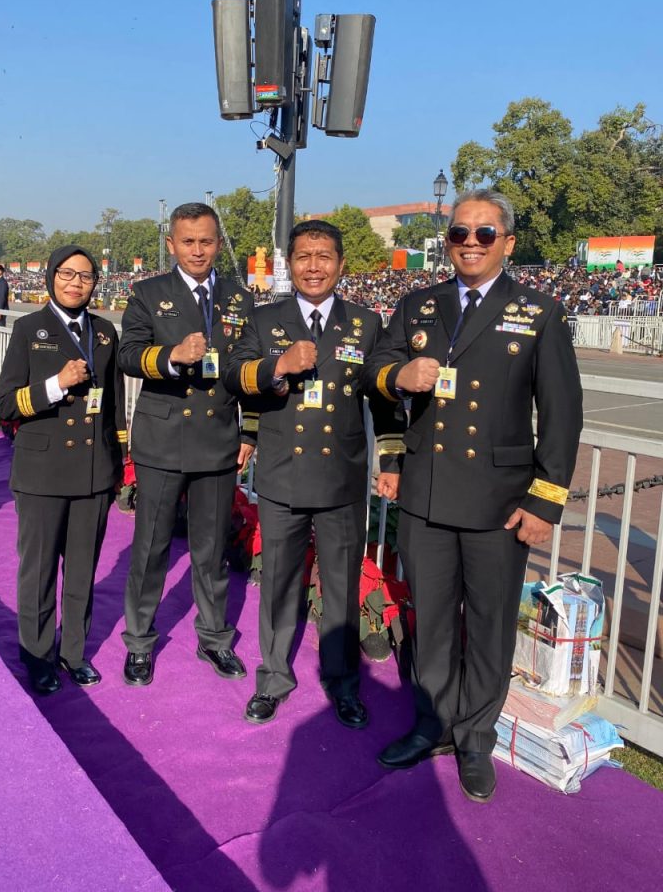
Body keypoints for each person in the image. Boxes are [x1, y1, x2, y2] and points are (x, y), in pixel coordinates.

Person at [362, 190, 582, 802]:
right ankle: (432, 723)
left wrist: (544, 502)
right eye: (460, 232)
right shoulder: (419, 304)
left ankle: (476, 737)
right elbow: (375, 375)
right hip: (427, 493)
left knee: (488, 624)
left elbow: (562, 415)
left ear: (507, 243)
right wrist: (397, 378)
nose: (470, 243)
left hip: (499, 501)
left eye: (485, 233)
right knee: (431, 619)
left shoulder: (538, 312)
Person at [223, 220, 403, 728]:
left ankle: (343, 684)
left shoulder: (365, 323)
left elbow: (384, 397)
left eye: (324, 256)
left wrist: (390, 460)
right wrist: (277, 366)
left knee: (341, 586)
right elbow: (235, 375)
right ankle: (273, 679)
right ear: (290, 264)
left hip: (341, 478)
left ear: (341, 264)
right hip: (283, 474)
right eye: (303, 256)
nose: (314, 266)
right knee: (279, 581)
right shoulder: (265, 319)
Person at [118, 202, 255, 687]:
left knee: (211, 549)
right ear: (171, 244)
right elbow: (128, 355)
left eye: (206, 241)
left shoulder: (240, 297)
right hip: (163, 439)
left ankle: (214, 638)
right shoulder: (148, 293)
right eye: (188, 241)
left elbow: (249, 367)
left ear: (219, 243)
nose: (198, 250)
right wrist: (172, 356)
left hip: (218, 439)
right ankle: (139, 642)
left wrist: (249, 430)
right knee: (151, 547)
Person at [0, 245, 127, 696]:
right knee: (39, 571)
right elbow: (6, 404)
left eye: (85, 276)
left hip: (93, 471)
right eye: (67, 274)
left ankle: (73, 652)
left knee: (83, 569)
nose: (76, 283)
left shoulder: (104, 332)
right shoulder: (29, 329)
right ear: (51, 277)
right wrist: (57, 384)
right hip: (42, 471)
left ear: (95, 284)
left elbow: (114, 405)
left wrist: (117, 462)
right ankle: (37, 655)